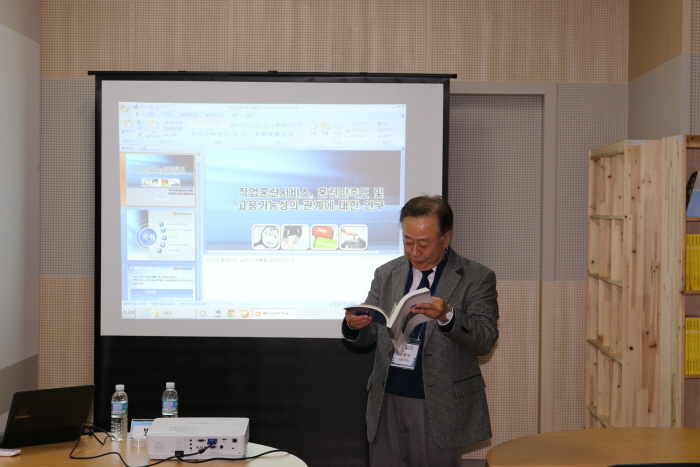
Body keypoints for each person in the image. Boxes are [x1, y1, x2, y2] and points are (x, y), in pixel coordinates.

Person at [342, 195, 499, 467]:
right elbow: (371, 335)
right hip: (386, 400)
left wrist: (448, 315)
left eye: (424, 244)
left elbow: (485, 340)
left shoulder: (475, 277)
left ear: (446, 238)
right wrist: (354, 326)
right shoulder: (387, 273)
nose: (415, 252)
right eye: (408, 242)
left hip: (438, 406)